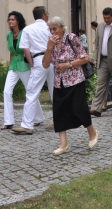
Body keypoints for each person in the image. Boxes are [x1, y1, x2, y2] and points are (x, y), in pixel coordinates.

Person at [42, 17, 99, 155]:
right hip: (59, 82)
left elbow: (86, 58)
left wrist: (69, 64)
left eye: (55, 29)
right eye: (50, 30)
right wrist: (49, 48)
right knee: (59, 111)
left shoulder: (71, 38)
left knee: (79, 108)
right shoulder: (51, 43)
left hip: (75, 79)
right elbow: (45, 64)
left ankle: (92, 133)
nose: (53, 32)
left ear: (62, 28)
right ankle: (64, 144)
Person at [11, 6, 53, 135]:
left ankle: (27, 125)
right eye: (47, 13)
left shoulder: (28, 29)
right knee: (55, 92)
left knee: (32, 93)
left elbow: (25, 49)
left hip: (38, 59)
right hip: (52, 60)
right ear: (44, 16)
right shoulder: (50, 28)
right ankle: (59, 120)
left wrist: (31, 63)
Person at [1, 11, 30, 130]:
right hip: (13, 66)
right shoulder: (9, 35)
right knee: (7, 91)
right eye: (9, 19)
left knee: (30, 91)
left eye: (12, 19)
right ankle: (8, 121)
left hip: (24, 65)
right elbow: (11, 52)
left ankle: (38, 117)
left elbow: (28, 48)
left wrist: (31, 64)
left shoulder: (25, 33)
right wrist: (9, 65)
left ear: (18, 21)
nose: (10, 21)